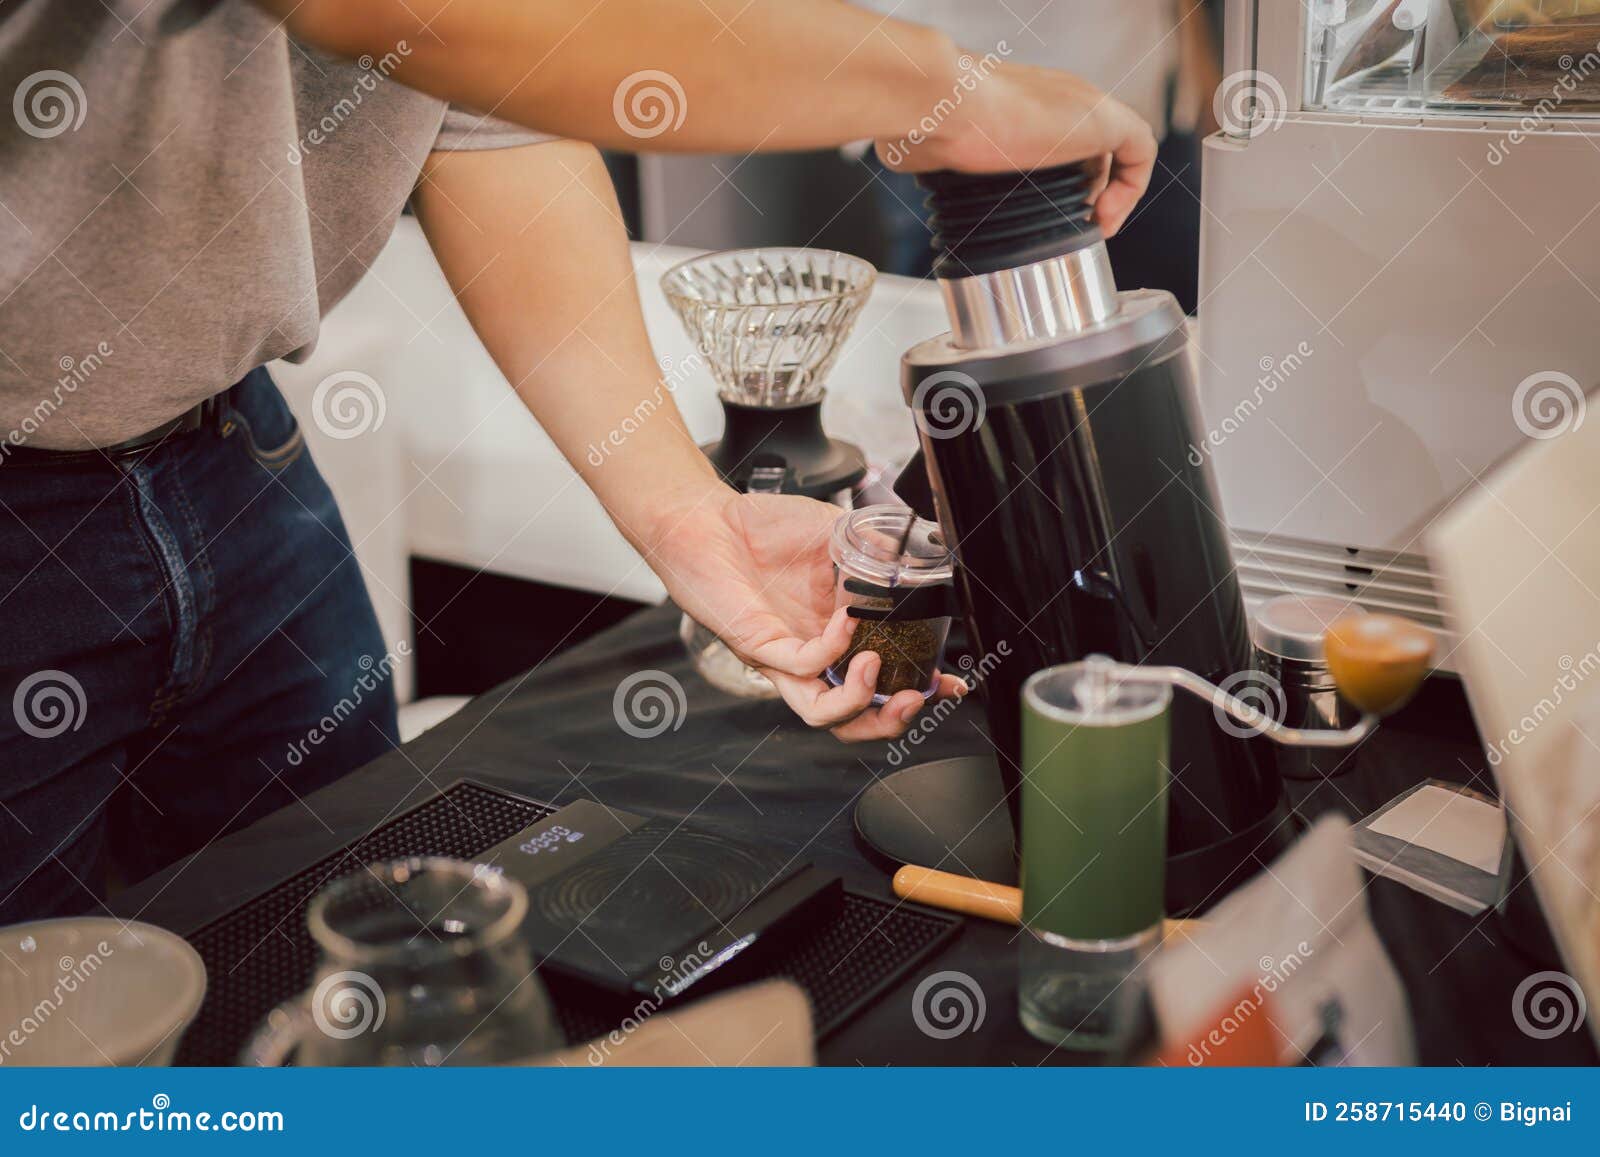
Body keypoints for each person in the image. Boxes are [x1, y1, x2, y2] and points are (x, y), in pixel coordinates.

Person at [0, 0, 1156, 921]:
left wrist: (684, 513)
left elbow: (487, 114)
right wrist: (949, 91)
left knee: (346, 950)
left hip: (228, 456)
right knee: (45, 1040)